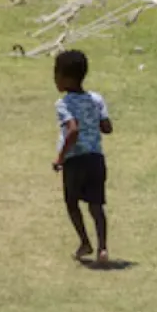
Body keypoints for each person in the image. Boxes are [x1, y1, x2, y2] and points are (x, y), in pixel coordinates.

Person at [52, 50, 112, 266]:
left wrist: (60, 157)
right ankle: (103, 248)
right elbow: (107, 127)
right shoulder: (96, 99)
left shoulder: (63, 104)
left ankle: (85, 242)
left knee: (71, 202)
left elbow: (73, 130)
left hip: (75, 160)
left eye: (56, 75)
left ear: (66, 78)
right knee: (96, 205)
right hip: (96, 159)